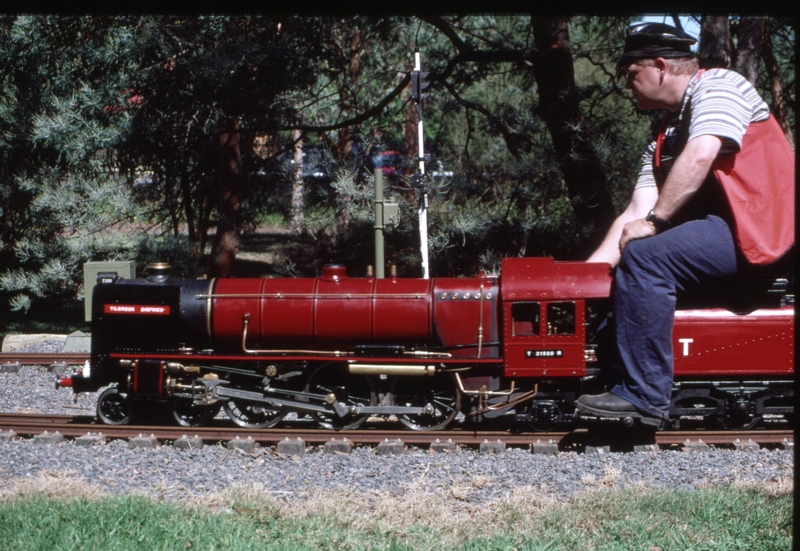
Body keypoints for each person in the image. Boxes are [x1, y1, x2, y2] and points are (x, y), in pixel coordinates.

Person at [576, 22, 795, 424]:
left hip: (764, 230)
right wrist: (584, 279)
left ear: (660, 66)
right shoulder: (664, 132)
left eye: (631, 74)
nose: (627, 85)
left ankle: (642, 398)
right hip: (725, 233)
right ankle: (611, 373)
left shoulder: (720, 87)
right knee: (632, 256)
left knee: (645, 257)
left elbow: (701, 154)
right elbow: (634, 213)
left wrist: (656, 222)